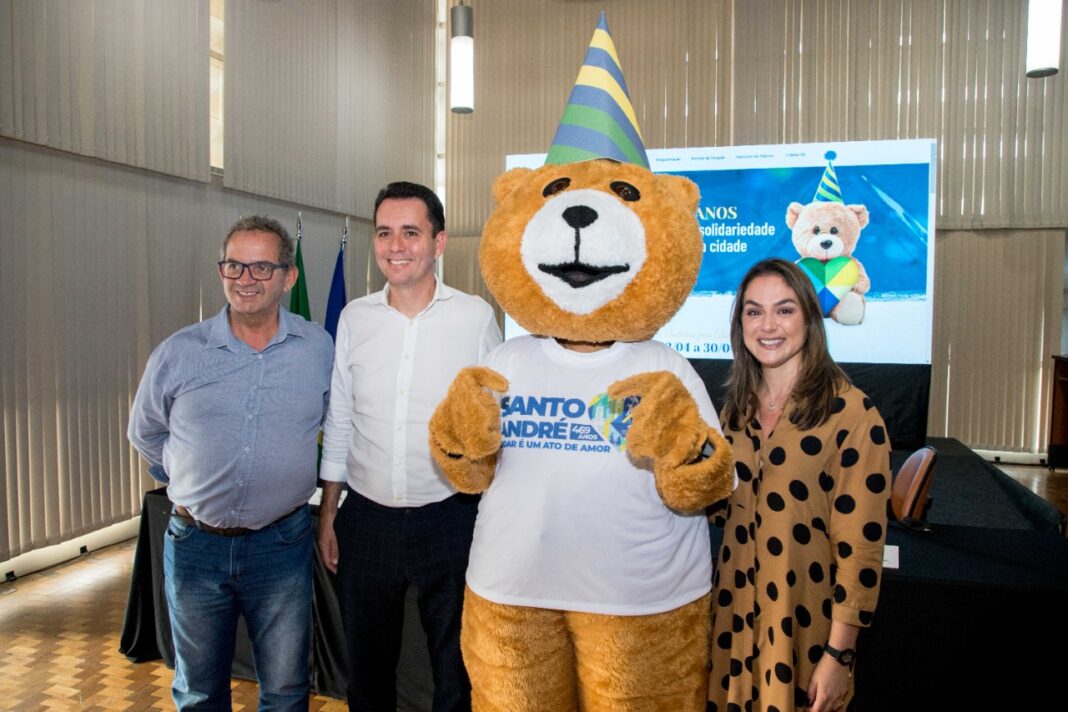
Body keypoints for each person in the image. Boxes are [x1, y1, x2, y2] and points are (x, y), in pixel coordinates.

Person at [127, 215, 334, 711]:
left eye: (262, 267)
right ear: (221, 270)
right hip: (194, 545)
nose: (245, 279)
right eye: (234, 265)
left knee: (285, 691)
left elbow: (338, 428)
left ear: (289, 276)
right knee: (199, 691)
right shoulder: (178, 353)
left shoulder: (318, 349)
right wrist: (184, 478)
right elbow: (145, 432)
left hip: (282, 546)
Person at [318, 181, 502, 712]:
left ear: (438, 242)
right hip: (366, 521)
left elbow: (495, 420)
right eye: (384, 233)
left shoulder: (475, 318)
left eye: (410, 232)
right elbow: (341, 417)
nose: (395, 246)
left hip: (450, 518)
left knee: (455, 674)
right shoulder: (354, 319)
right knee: (368, 675)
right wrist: (329, 513)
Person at [708, 258, 891, 712]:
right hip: (732, 625)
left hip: (804, 629)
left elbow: (861, 550)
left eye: (784, 310)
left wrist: (840, 655)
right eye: (754, 311)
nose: (767, 325)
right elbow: (720, 510)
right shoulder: (735, 411)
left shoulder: (852, 414)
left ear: (810, 317)